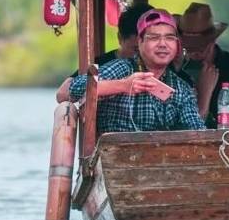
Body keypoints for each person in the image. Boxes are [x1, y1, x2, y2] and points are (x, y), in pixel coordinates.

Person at [66, 8, 204, 133]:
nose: (163, 44)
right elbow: (75, 88)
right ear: (140, 42)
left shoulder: (181, 88)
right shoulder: (122, 68)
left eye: (169, 38)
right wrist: (123, 85)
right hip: (115, 158)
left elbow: (197, 132)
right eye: (154, 38)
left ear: (177, 44)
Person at [175, 2, 229, 128]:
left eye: (199, 47)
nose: (194, 53)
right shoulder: (176, 69)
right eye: (188, 48)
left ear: (212, 40)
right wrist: (204, 91)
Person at [55, 2, 153, 103]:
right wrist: (122, 85)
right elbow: (62, 94)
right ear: (120, 38)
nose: (143, 54)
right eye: (136, 49)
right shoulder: (102, 63)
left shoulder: (164, 65)